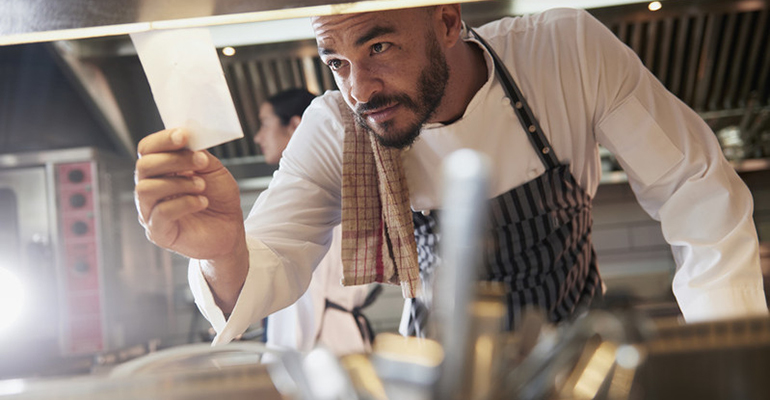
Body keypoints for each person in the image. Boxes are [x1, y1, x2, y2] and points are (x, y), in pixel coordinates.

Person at [135, 5, 768, 345]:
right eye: (336, 63)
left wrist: (729, 349)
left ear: (446, 21)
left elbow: (695, 188)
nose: (359, 89)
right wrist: (221, 250)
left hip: (579, 367)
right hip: (438, 379)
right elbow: (272, 262)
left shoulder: (565, 53)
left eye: (379, 47)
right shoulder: (338, 126)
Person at [254, 88, 378, 354]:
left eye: (265, 124)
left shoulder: (312, 196)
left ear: (296, 125)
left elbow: (300, 294)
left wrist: (282, 367)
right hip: (340, 340)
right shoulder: (340, 181)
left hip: (321, 349)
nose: (258, 137)